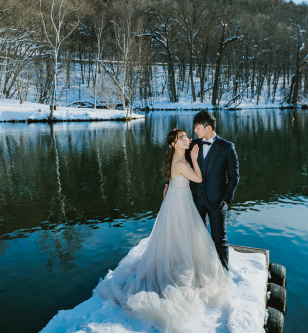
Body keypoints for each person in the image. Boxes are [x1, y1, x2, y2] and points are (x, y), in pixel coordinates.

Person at [96, 128, 232, 331]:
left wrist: (168, 182)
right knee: (183, 235)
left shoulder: (176, 158)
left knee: (178, 236)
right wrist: (194, 158)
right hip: (179, 204)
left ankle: (177, 261)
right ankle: (176, 269)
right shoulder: (180, 161)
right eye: (182, 138)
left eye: (186, 136)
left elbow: (175, 175)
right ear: (174, 144)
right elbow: (198, 179)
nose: (187, 139)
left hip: (176, 201)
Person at [183, 110, 240, 270]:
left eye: (197, 127)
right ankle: (199, 270)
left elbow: (234, 177)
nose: (195, 130)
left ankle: (223, 271)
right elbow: (179, 163)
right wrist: (168, 183)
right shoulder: (193, 144)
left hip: (217, 201)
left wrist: (225, 199)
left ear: (208, 128)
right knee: (196, 238)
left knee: (219, 238)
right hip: (196, 200)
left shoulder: (227, 147)